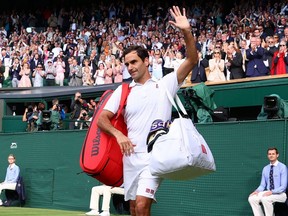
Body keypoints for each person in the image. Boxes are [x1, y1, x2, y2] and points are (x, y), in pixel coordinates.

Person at [97, 6, 197, 216]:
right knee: (133, 209)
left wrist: (186, 31)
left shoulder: (165, 84)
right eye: (126, 64)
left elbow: (192, 60)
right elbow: (102, 120)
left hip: (154, 158)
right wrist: (119, 135)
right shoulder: (123, 91)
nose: (130, 67)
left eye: (134, 62)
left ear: (146, 61)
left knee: (142, 206)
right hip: (130, 159)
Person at [248, 147, 287, 216]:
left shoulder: (282, 167)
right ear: (267, 155)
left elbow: (283, 187)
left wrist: (272, 192)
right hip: (268, 193)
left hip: (281, 194)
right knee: (252, 198)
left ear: (277, 155)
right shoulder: (265, 168)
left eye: (273, 154)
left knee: (265, 199)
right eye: (269, 154)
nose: (271, 155)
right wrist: (256, 191)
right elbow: (262, 185)